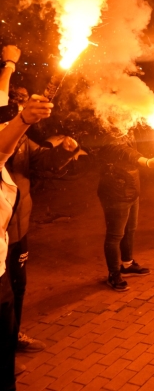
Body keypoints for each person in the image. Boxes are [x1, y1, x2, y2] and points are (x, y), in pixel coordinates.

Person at [2, 87, 80, 357]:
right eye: (20, 102)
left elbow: (43, 161)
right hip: (1, 232)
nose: (26, 106)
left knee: (18, 287)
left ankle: (13, 335)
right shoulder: (6, 135)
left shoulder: (22, 139)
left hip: (19, 228)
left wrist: (65, 151)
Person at [0, 44, 54, 391]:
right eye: (14, 100)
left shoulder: (17, 135)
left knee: (10, 305)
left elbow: (10, 148)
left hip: (2, 254)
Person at [97, 127, 154, 291]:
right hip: (115, 191)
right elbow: (123, 151)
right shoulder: (108, 133)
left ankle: (127, 264)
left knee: (130, 230)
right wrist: (146, 161)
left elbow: (136, 147)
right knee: (115, 235)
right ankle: (113, 274)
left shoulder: (128, 128)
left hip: (132, 189)